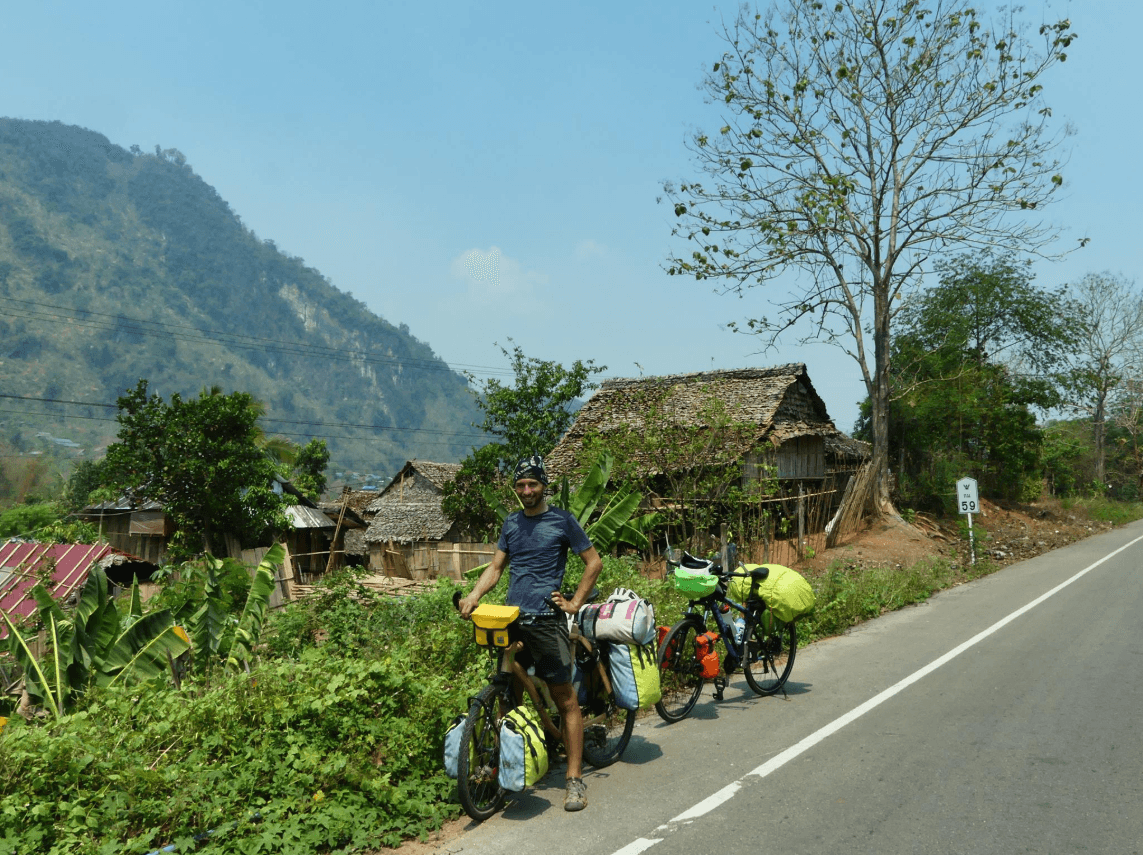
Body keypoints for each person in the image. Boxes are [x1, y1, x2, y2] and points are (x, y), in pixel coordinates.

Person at [458, 454, 603, 812]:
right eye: (521, 485)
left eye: (532, 484)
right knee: (509, 695)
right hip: (512, 619)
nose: (526, 490)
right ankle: (514, 766)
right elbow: (495, 568)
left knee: (564, 698)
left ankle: (574, 780)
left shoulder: (563, 521)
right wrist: (474, 595)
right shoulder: (511, 524)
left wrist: (573, 602)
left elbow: (594, 562)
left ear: (543, 486)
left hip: (547, 621)